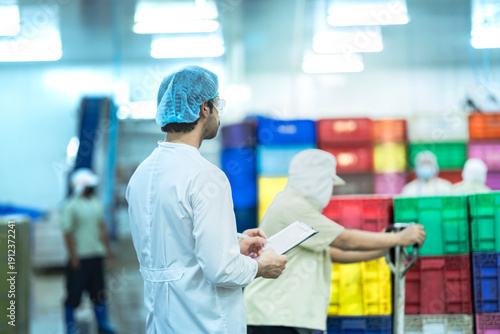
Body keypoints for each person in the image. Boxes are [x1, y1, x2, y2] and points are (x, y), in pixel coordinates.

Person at [126, 65, 287, 334]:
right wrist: (261, 267)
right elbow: (221, 270)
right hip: (205, 323)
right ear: (204, 108)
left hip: (161, 323)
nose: (218, 113)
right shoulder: (205, 176)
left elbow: (172, 242)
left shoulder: (142, 174)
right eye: (217, 105)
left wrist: (232, 241)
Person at [244, 149, 426, 334]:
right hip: (274, 317)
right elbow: (345, 240)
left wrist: (388, 245)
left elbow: (335, 253)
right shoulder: (292, 206)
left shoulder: (295, 205)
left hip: (282, 317)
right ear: (317, 181)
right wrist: (399, 238)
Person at [61, 168, 115, 334]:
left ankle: (102, 324)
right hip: (80, 258)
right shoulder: (71, 206)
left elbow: (102, 226)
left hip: (95, 256)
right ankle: (70, 327)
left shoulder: (95, 204)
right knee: (74, 294)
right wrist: (73, 256)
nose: (91, 188)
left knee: (99, 293)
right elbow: (67, 232)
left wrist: (107, 249)